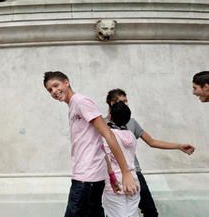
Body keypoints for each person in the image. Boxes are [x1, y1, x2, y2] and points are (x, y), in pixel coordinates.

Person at [43, 71, 138, 217]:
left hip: (86, 177)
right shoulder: (73, 106)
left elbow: (108, 134)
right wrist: (111, 175)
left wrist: (125, 172)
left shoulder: (81, 101)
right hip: (89, 175)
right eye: (50, 90)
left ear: (66, 82)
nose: (54, 91)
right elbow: (97, 144)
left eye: (56, 85)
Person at [105, 88, 195, 217]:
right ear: (112, 103)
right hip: (112, 175)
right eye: (122, 101)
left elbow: (152, 141)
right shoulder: (102, 124)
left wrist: (179, 146)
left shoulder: (131, 122)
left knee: (150, 211)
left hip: (133, 172)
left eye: (126, 101)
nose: (126, 104)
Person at [102, 101, 140, 217]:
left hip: (114, 184)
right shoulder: (131, 135)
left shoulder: (108, 135)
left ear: (110, 116)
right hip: (133, 181)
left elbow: (105, 157)